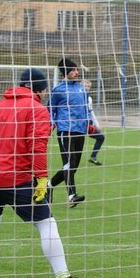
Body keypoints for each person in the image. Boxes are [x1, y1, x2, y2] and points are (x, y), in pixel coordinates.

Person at [0, 68, 97, 278]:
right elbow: (37, 148)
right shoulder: (38, 109)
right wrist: (41, 179)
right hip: (17, 178)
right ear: (41, 89)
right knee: (46, 223)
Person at [47, 58, 90, 208]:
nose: (77, 72)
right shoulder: (58, 90)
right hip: (65, 130)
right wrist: (50, 124)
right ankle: (72, 196)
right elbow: (50, 109)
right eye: (74, 70)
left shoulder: (81, 88)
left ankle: (49, 186)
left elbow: (85, 107)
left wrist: (88, 122)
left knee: (74, 166)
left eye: (77, 70)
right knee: (68, 164)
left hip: (80, 130)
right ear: (67, 72)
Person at [83, 79, 105, 166]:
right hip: (79, 124)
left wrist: (97, 124)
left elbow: (91, 112)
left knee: (101, 137)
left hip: (88, 124)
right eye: (85, 86)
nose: (87, 88)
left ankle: (93, 157)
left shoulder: (89, 98)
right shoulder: (76, 97)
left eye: (88, 86)